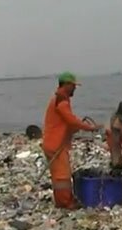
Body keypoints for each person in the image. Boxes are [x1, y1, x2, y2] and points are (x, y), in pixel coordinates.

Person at [42, 71, 99, 209]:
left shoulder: (59, 98)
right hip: (56, 144)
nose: (74, 89)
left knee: (58, 175)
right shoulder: (62, 100)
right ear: (66, 85)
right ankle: (65, 202)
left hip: (53, 142)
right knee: (62, 176)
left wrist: (73, 129)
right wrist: (89, 128)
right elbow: (70, 119)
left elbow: (65, 122)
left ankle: (62, 200)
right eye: (73, 85)